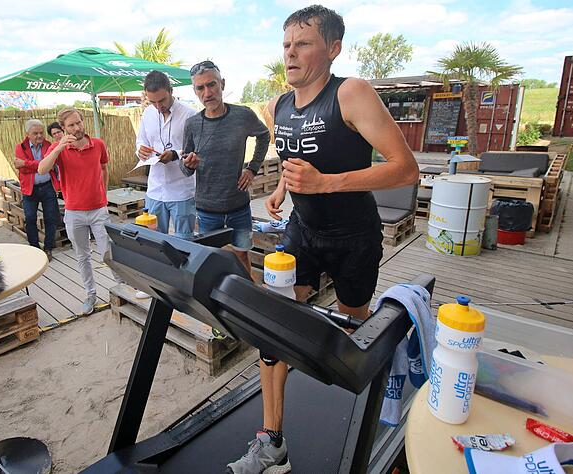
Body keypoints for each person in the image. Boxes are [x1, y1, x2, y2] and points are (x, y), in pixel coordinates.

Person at [226, 6, 420, 474]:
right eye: (287, 45)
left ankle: (370, 417)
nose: (291, 53)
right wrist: (280, 188)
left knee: (356, 333)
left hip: (354, 237)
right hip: (302, 233)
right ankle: (271, 441)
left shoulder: (351, 93)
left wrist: (325, 184)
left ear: (332, 49)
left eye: (304, 43)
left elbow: (405, 168)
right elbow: (296, 158)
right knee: (274, 325)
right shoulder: (277, 106)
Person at [180, 61, 270, 274]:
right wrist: (188, 165)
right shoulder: (192, 124)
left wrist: (252, 168)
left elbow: (264, 135)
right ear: (195, 91)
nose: (207, 92)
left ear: (222, 83)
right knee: (210, 259)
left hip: (238, 206)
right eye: (200, 88)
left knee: (241, 255)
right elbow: (185, 168)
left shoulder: (243, 115)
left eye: (211, 85)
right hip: (207, 209)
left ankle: (246, 299)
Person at [38, 108, 110, 315]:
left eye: (78, 122)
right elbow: (42, 169)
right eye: (71, 125)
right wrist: (59, 148)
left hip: (98, 209)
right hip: (74, 211)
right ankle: (90, 294)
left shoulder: (98, 144)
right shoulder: (58, 148)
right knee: (82, 256)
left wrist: (103, 193)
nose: (77, 128)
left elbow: (104, 167)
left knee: (108, 251)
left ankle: (122, 289)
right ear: (63, 128)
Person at [136, 70, 197, 239]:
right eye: (152, 101)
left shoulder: (190, 115)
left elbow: (197, 150)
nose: (158, 106)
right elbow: (141, 141)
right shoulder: (148, 113)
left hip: (182, 191)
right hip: (155, 190)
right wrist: (140, 150)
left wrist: (175, 154)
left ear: (171, 91)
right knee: (153, 240)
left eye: (161, 100)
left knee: (185, 241)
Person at [14, 119, 60, 260]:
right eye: (35, 133)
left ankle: (48, 248)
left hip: (48, 187)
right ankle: (35, 249)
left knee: (51, 218)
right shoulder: (20, 147)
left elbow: (50, 165)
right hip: (30, 189)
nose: (40, 136)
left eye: (41, 133)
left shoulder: (48, 145)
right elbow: (22, 168)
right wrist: (40, 165)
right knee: (30, 218)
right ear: (27, 134)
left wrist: (27, 163)